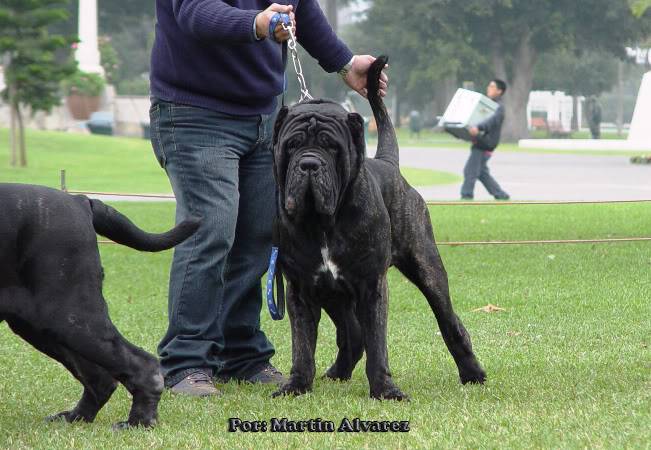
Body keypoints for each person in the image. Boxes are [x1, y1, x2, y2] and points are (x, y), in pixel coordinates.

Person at [148, 1, 388, 397]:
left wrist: (345, 63)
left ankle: (241, 356)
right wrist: (256, 24)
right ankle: (185, 361)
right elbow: (194, 12)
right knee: (211, 229)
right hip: (194, 113)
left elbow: (301, 10)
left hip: (264, 117)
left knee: (260, 233)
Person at [460, 79, 510, 201]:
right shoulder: (486, 105)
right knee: (482, 173)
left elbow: (490, 121)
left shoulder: (498, 108)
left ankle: (466, 196)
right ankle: (501, 195)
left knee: (470, 170)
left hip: (485, 144)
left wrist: (478, 127)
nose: (489, 88)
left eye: (492, 86)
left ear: (499, 91)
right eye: (489, 86)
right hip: (480, 142)